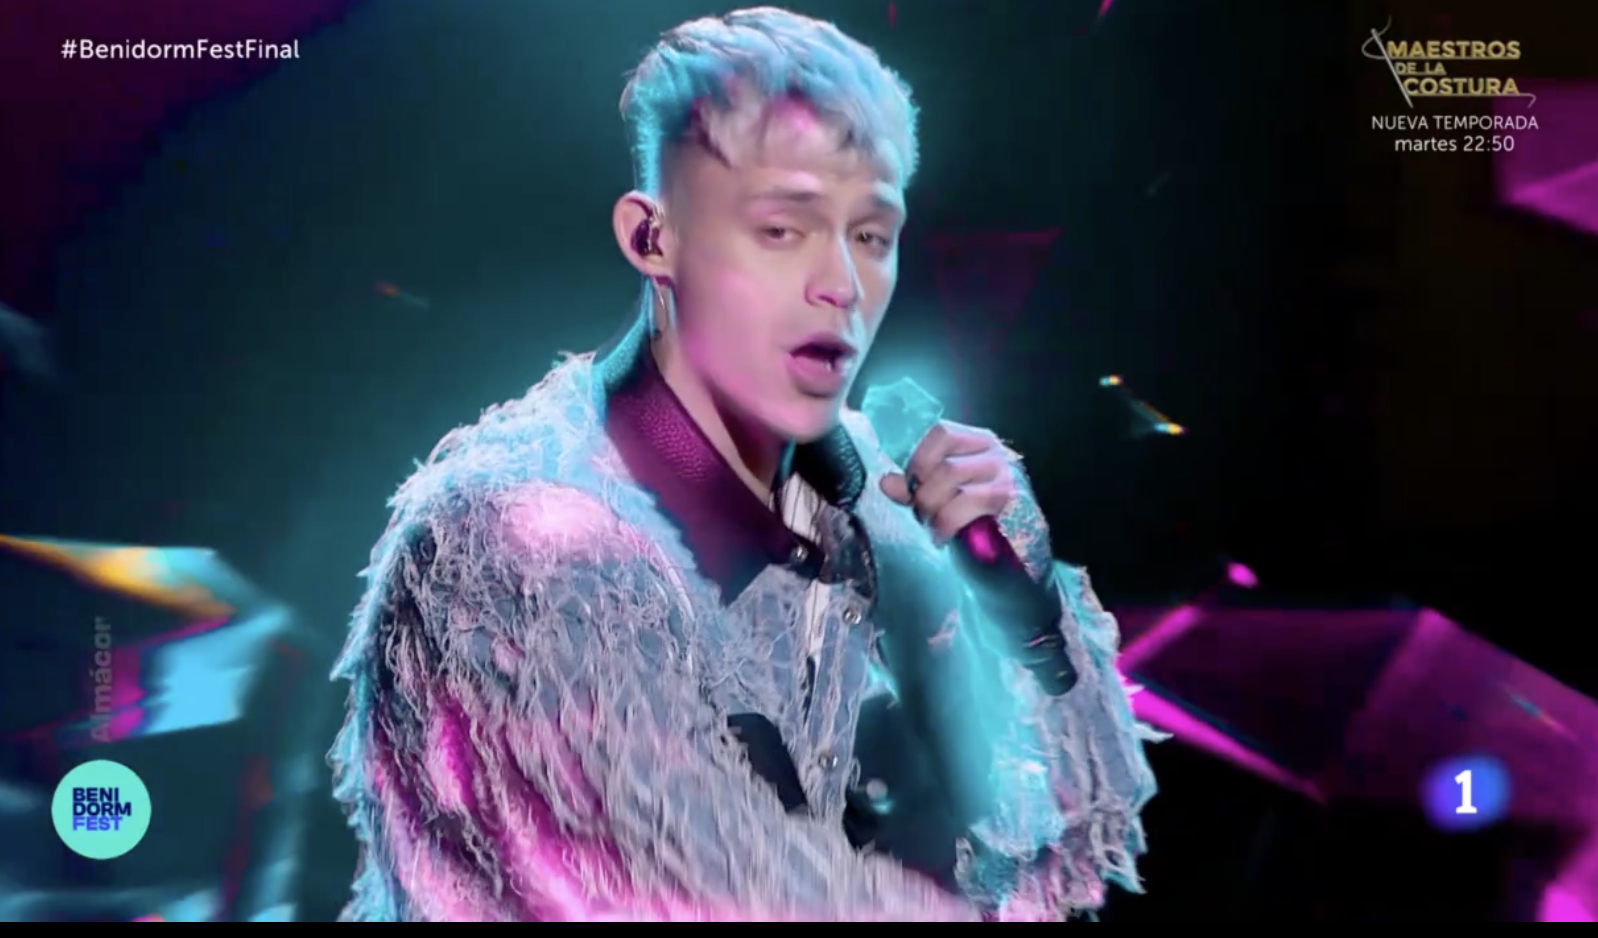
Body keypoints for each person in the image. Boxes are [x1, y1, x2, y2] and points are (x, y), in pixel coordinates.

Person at [329, 6, 1156, 922]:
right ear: (654, 239)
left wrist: (1028, 618)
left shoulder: (877, 510)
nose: (841, 286)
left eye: (871, 236)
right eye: (782, 229)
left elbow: (1076, 860)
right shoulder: (509, 551)